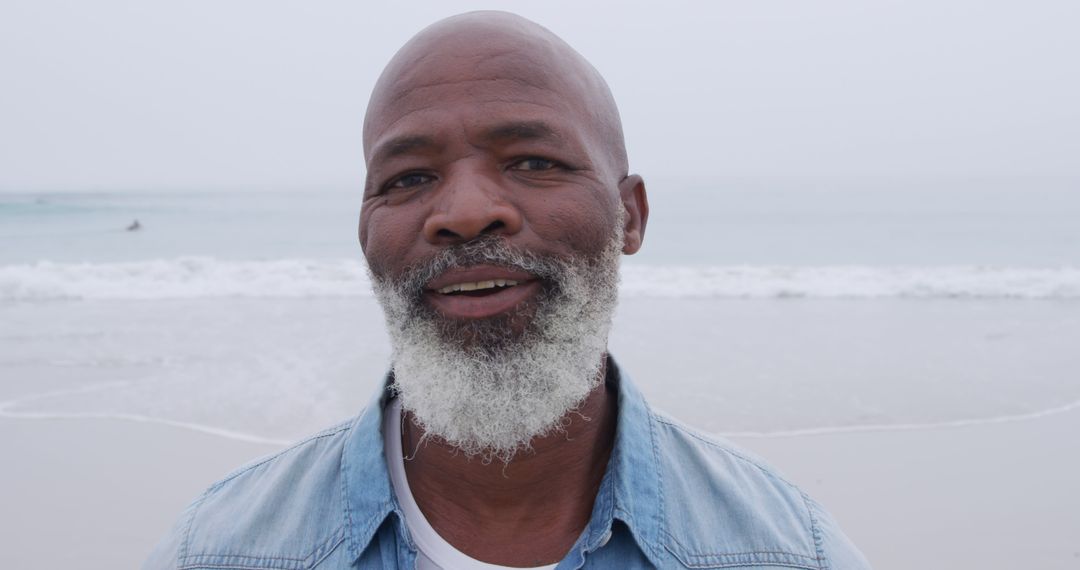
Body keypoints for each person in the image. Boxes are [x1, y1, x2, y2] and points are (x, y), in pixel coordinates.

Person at [145, 11, 870, 570]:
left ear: (631, 217)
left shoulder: (786, 550)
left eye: (533, 160)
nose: (462, 213)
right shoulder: (220, 547)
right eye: (408, 178)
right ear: (365, 237)